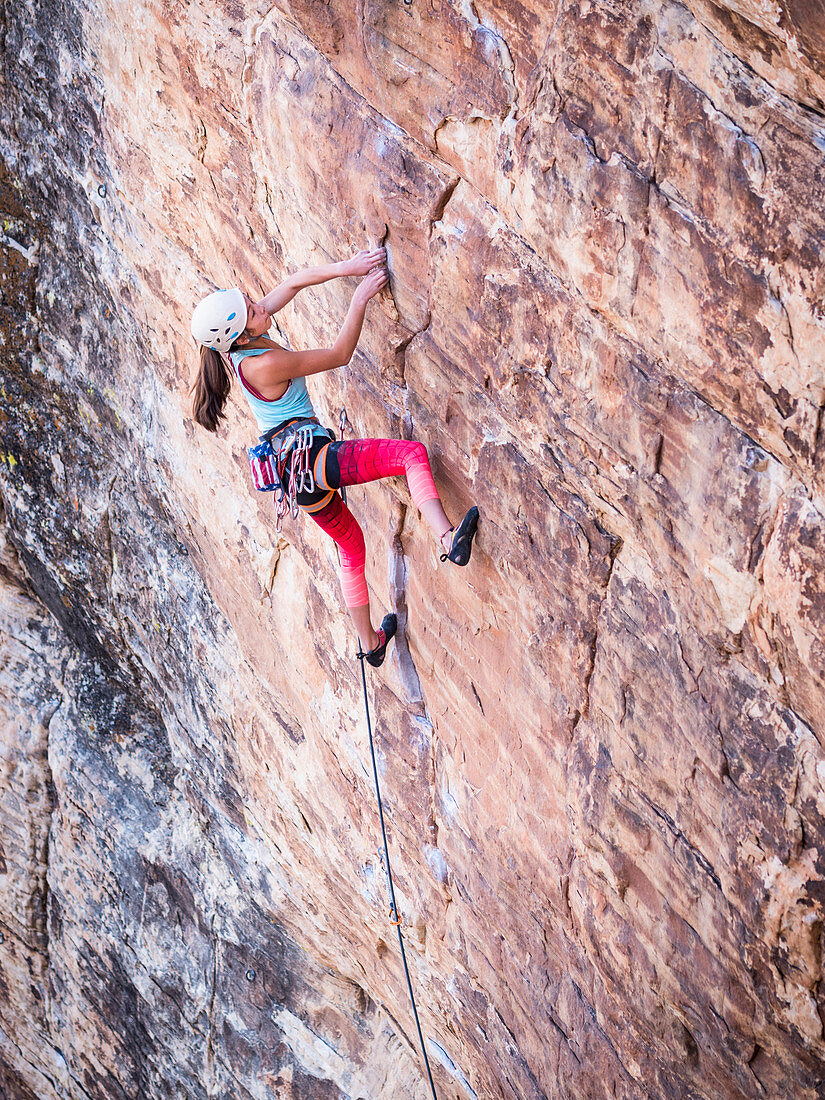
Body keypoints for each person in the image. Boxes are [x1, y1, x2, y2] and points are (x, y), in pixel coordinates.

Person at [190, 248, 478, 666]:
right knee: (410, 455)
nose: (259, 305)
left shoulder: (243, 340)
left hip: (299, 479)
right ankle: (448, 539)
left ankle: (370, 643)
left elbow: (291, 282)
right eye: (251, 309)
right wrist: (359, 296)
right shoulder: (263, 362)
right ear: (237, 333)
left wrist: (348, 268)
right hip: (314, 460)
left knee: (351, 543)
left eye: (250, 302)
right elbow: (340, 354)